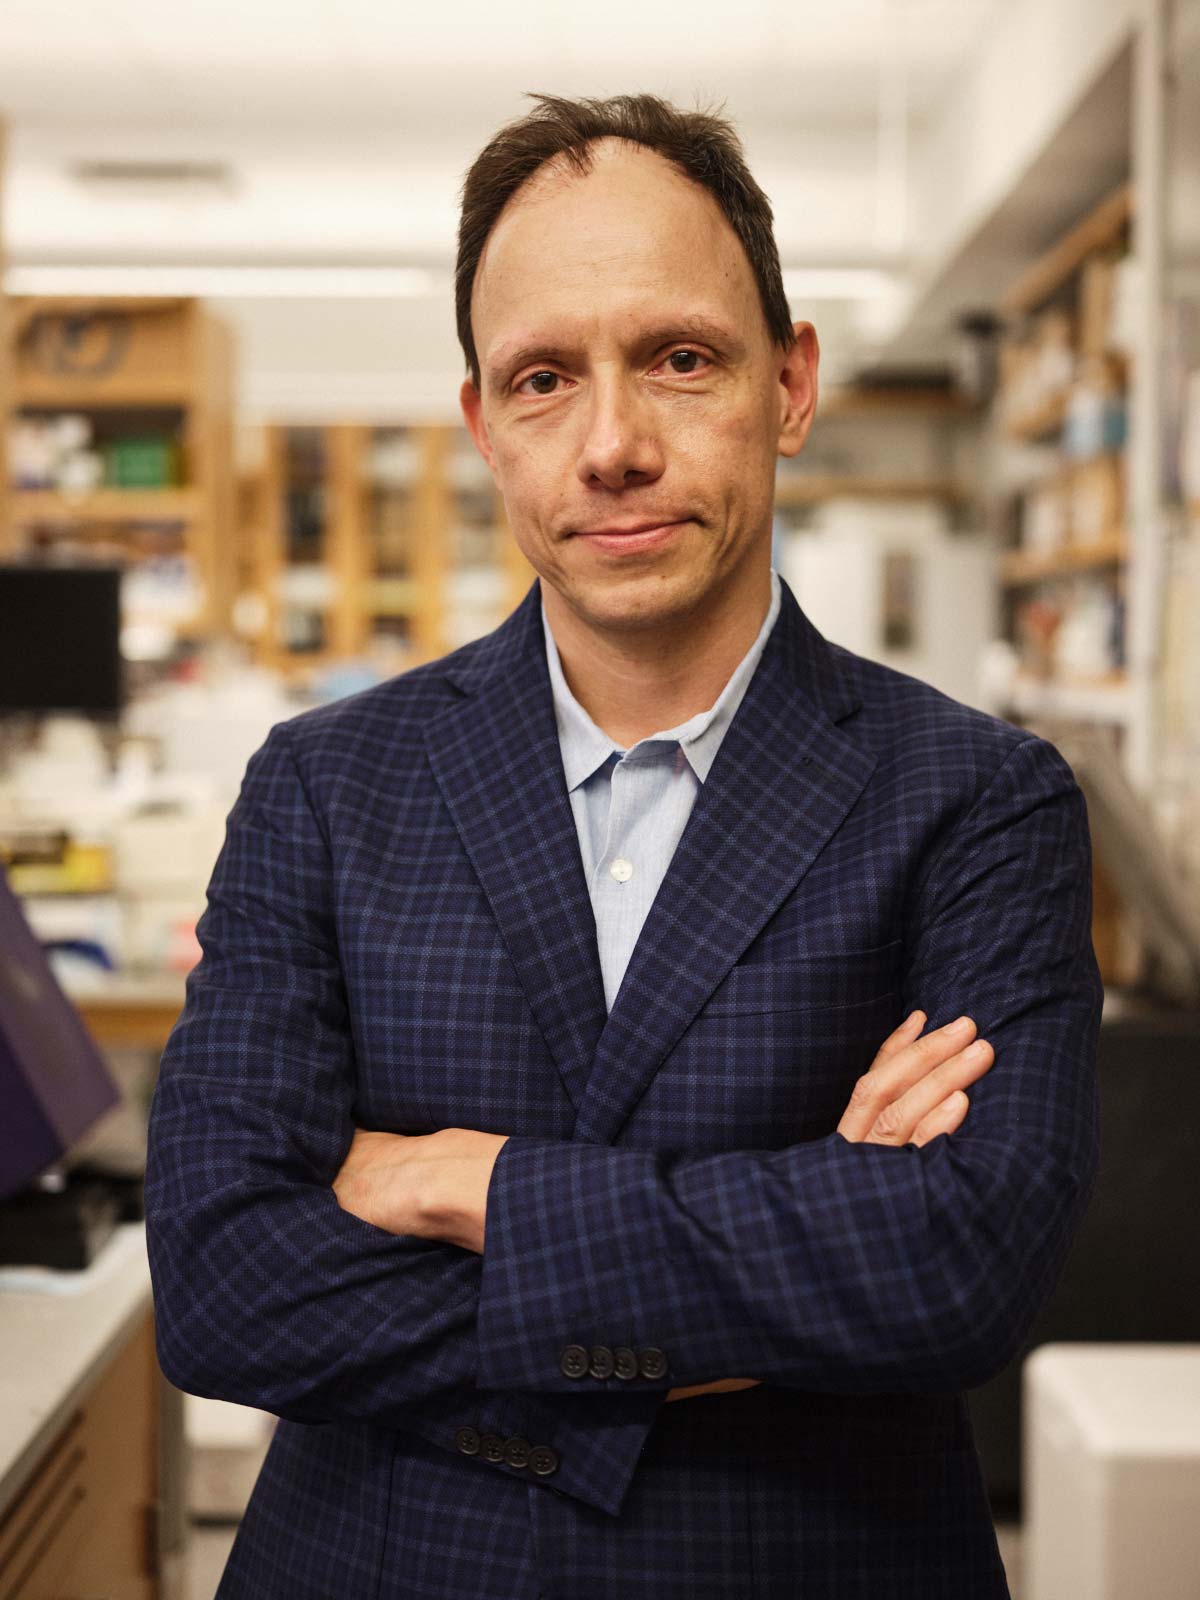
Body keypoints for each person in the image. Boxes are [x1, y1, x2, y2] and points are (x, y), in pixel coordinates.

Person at [143, 92, 1102, 1600]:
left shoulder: (980, 798)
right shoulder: (327, 785)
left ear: (788, 385)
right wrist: (775, 1265)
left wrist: (476, 1185)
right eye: (542, 377)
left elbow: (955, 1269)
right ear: (482, 426)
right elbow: (222, 1287)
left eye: (678, 358)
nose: (611, 445)